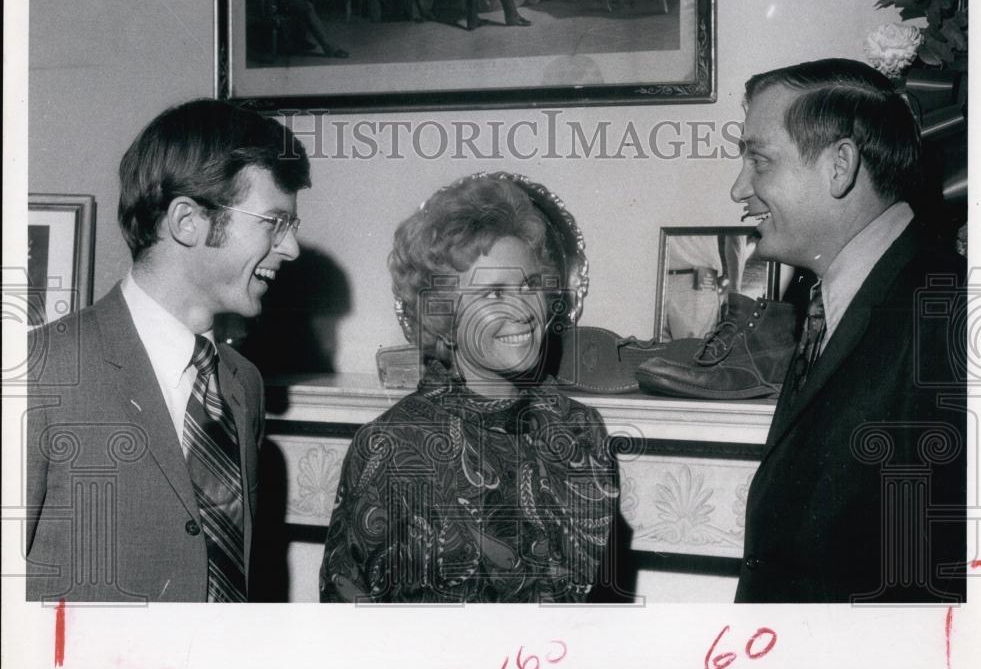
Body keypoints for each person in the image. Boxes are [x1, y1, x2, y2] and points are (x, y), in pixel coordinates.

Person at [25, 99, 311, 602]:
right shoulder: (41, 372)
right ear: (187, 221)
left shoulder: (243, 385)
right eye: (273, 223)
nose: (291, 249)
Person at [320, 172, 619, 602]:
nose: (522, 310)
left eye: (530, 285)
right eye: (493, 293)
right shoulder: (392, 445)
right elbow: (351, 615)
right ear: (444, 315)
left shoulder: (581, 429)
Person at [730, 59, 966, 602]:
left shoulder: (953, 316)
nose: (739, 188)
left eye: (759, 161)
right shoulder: (837, 298)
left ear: (840, 166)